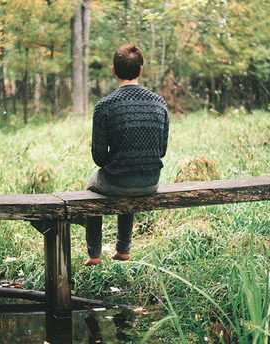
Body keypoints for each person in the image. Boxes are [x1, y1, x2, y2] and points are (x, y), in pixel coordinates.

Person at [84, 43, 169, 266]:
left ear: (113, 70)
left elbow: (99, 158)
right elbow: (162, 150)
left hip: (118, 182)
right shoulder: (160, 103)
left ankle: (94, 254)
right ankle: (123, 249)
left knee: (92, 183)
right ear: (141, 70)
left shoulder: (104, 106)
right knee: (129, 173)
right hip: (151, 182)